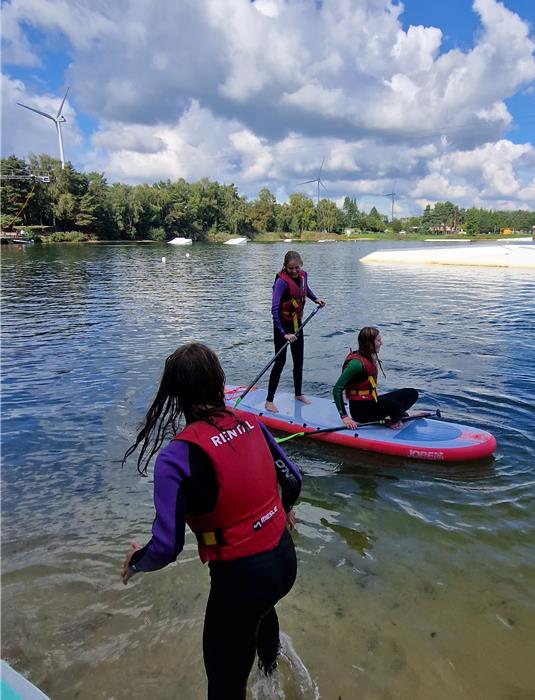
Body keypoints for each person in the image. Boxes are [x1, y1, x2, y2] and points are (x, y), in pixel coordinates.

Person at [121, 342, 302, 700]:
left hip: (242, 581)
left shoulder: (175, 458)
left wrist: (136, 562)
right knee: (261, 610)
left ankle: (262, 684)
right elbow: (293, 479)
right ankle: (270, 681)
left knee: (224, 685)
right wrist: (284, 509)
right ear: (220, 382)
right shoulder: (251, 422)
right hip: (283, 561)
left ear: (174, 395)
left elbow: (167, 547)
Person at [266, 250, 325, 413]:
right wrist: (284, 333)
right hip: (282, 327)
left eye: (297, 268)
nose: (294, 271)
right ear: (285, 267)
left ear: (301, 265)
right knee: (280, 362)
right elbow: (274, 309)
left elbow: (305, 289)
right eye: (291, 268)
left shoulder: (303, 275)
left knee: (299, 360)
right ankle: (269, 401)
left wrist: (316, 299)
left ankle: (298, 394)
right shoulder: (281, 282)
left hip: (297, 324)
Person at [332, 326, 420, 430]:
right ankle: (398, 417)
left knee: (412, 393)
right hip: (360, 412)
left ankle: (396, 415)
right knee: (392, 404)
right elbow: (337, 389)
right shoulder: (356, 365)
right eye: (378, 340)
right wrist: (345, 417)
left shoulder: (368, 356)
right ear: (369, 343)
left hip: (372, 402)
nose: (381, 343)